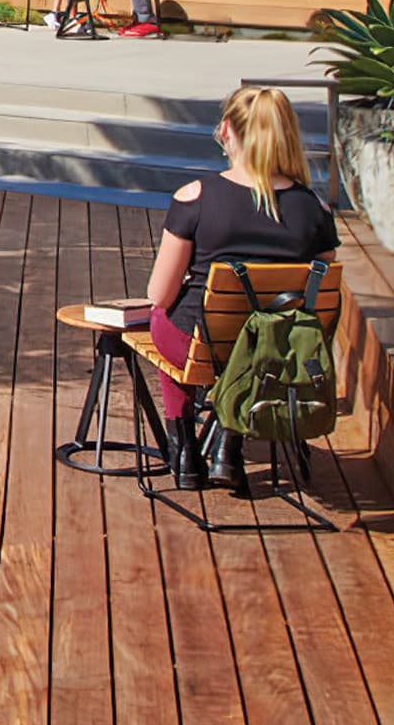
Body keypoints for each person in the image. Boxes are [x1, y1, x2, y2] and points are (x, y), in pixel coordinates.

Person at [136, 85, 336, 486]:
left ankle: (185, 453)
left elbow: (159, 294)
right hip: (276, 353)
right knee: (251, 343)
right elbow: (319, 291)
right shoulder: (315, 209)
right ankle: (228, 445)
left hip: (205, 346)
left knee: (163, 317)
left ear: (226, 130)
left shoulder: (196, 197)